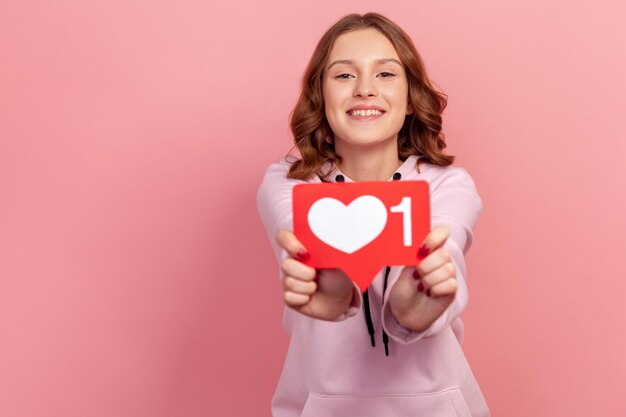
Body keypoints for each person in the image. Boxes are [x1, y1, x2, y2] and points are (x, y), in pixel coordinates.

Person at [257, 12, 490, 417]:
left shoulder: (449, 185)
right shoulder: (288, 181)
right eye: (344, 75)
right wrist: (329, 287)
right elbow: (296, 236)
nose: (365, 89)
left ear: (410, 94)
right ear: (320, 94)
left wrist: (416, 306)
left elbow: (446, 246)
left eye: (385, 74)